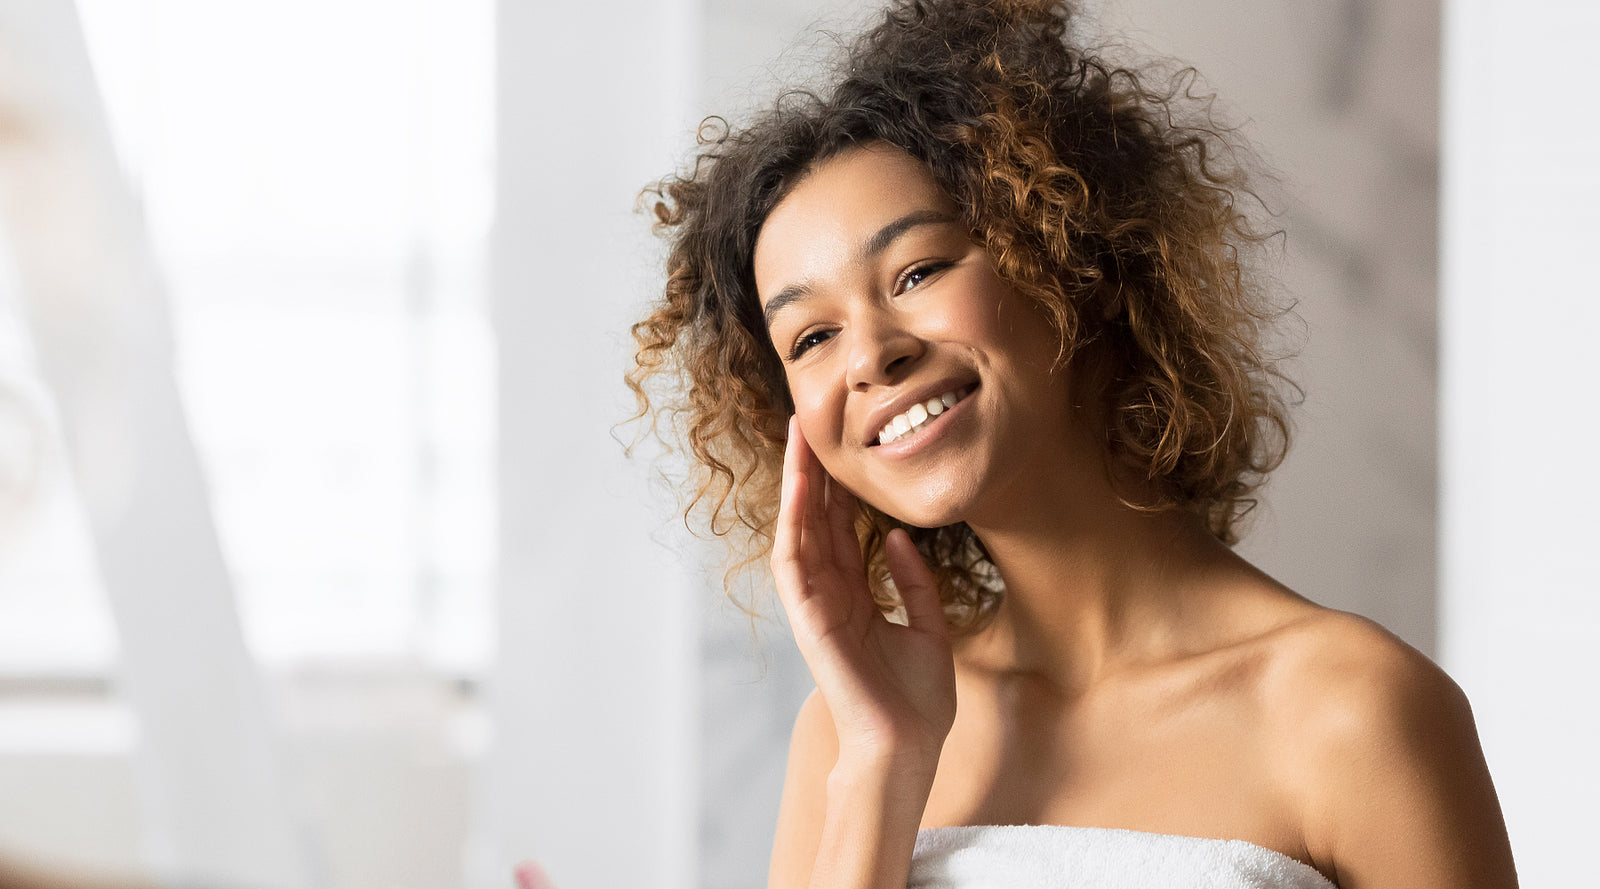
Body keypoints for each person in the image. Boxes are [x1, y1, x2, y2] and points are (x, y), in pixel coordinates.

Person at [628, 1, 1517, 886]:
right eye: (810, 338)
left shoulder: (1352, 710)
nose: (870, 354)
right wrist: (883, 762)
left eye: (918, 271)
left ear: (1066, 261)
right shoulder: (847, 733)